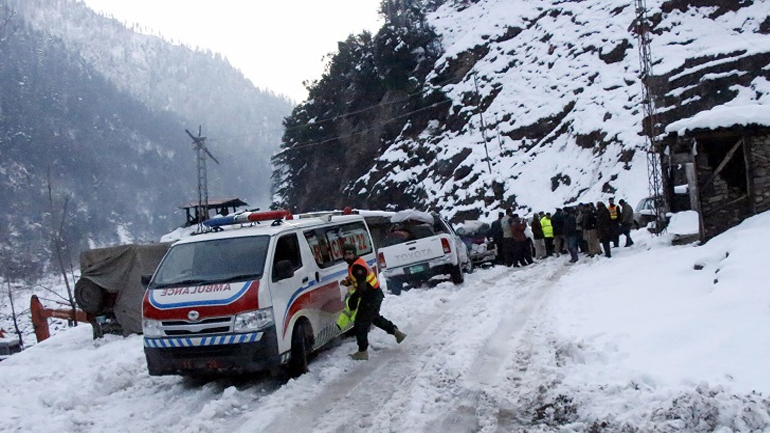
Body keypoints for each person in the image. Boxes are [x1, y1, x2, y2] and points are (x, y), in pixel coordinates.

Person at [341, 243, 406, 360]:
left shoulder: (357, 267)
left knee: (360, 324)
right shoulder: (355, 264)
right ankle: (396, 333)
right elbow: (361, 280)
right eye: (345, 254)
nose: (347, 257)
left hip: (370, 297)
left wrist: (353, 299)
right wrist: (349, 282)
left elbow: (362, 287)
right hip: (375, 295)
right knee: (374, 318)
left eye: (350, 254)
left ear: (355, 253)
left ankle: (362, 351)